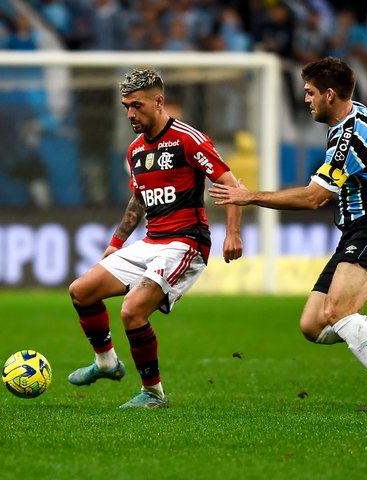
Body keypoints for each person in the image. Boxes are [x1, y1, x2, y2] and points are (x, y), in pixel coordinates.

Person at [209, 57, 367, 413]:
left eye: (309, 93)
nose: (305, 99)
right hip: (358, 227)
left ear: (329, 94)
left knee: (339, 311)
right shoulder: (354, 117)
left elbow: (313, 198)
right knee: (313, 325)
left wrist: (251, 196)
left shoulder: (349, 137)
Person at [67, 68, 243, 409]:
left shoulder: (189, 139)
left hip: (186, 243)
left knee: (132, 311)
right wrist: (116, 244)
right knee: (81, 291)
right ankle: (106, 363)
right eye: (126, 106)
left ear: (159, 101)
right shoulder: (134, 150)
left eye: (137, 105)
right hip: (152, 242)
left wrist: (233, 233)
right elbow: (139, 199)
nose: (131, 113)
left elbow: (232, 185)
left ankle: (153, 393)